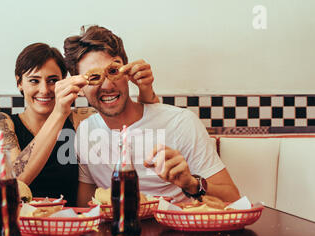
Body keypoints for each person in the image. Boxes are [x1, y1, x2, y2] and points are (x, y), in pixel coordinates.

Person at [63, 26, 240, 206]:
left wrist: (192, 183)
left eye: (114, 71)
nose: (107, 85)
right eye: (94, 77)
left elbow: (233, 199)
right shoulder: (86, 132)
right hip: (120, 231)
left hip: (176, 231)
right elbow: (85, 208)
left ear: (128, 72)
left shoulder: (180, 123)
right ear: (80, 88)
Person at [0, 42, 159, 206]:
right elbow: (15, 180)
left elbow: (141, 123)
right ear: (19, 83)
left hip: (71, 224)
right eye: (34, 80)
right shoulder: (1, 122)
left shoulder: (80, 120)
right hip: (18, 223)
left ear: (63, 81)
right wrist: (59, 112)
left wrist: (145, 89)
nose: (44, 89)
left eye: (53, 80)